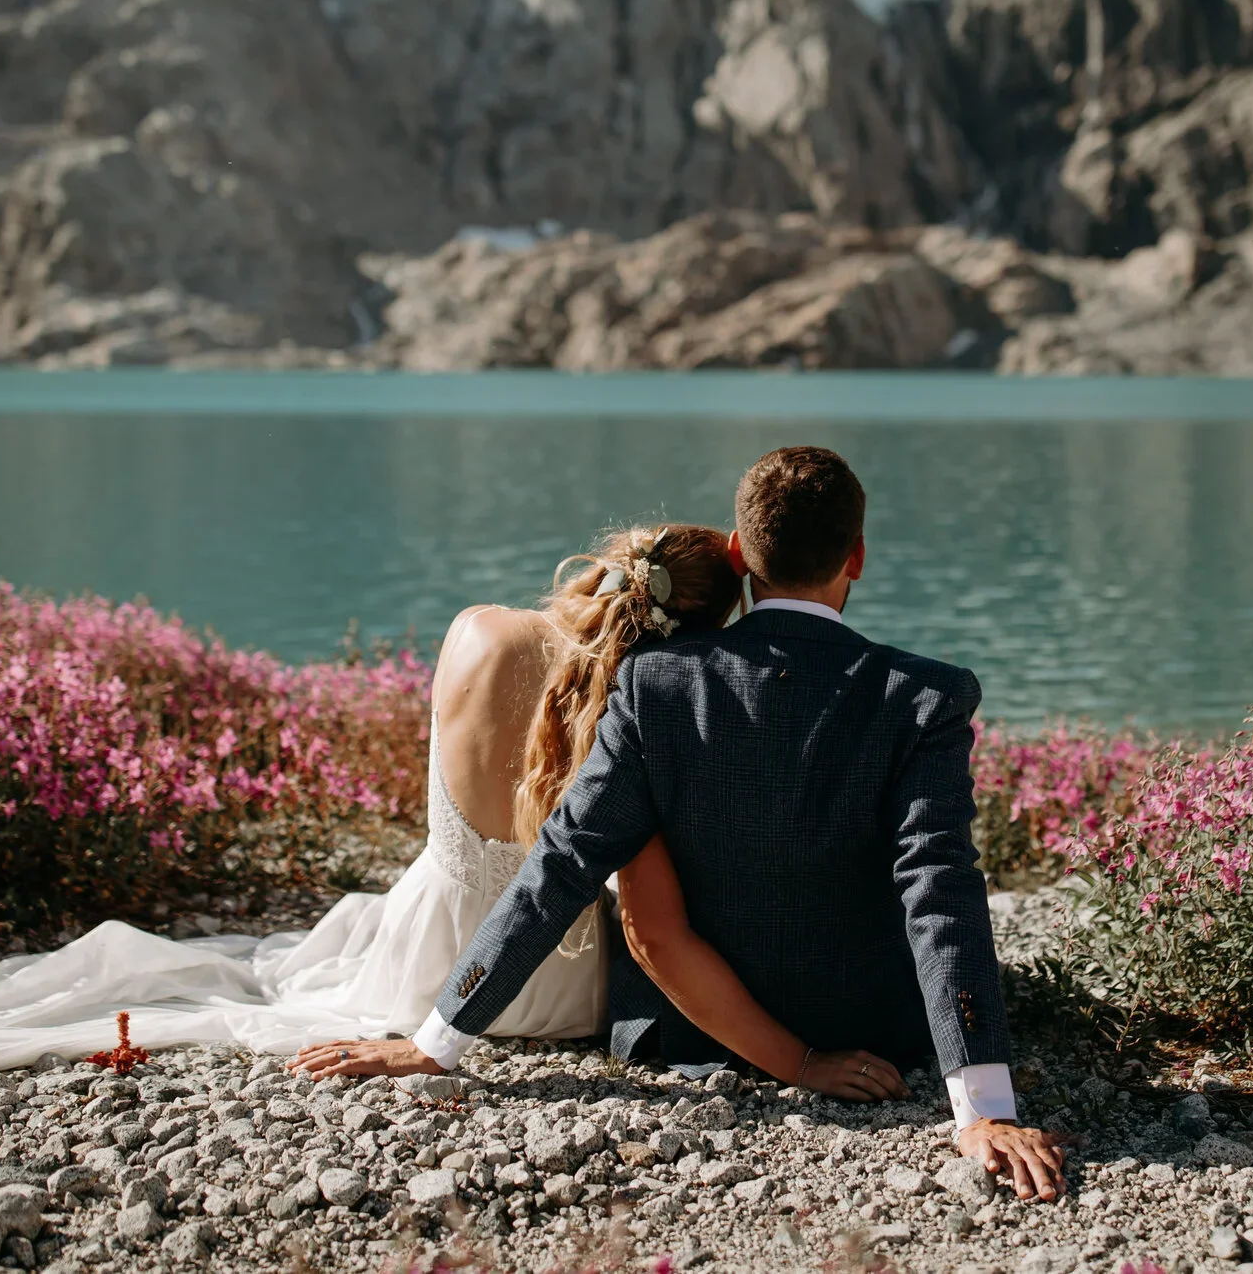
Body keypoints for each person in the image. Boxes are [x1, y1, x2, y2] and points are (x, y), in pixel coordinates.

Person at [0, 523, 911, 1095]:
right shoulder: (646, 711)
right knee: (35, 1018)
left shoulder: (480, 635)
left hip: (422, 935)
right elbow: (648, 938)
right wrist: (801, 1058)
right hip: (521, 999)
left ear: (601, 570)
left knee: (88, 980)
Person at [292, 447, 1068, 1201]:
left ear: (739, 550)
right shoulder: (925, 696)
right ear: (857, 556)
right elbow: (941, 890)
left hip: (690, 1040)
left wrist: (437, 1041)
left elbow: (562, 866)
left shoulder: (657, 683)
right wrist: (984, 1107)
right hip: (875, 1043)